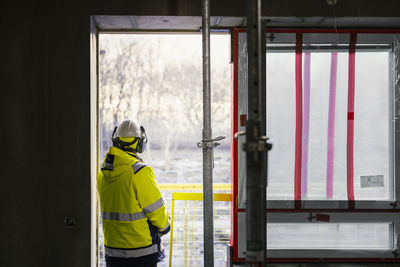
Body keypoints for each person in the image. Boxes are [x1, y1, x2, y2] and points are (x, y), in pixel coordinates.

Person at [97, 119, 170, 267]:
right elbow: (156, 211)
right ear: (139, 143)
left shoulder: (103, 174)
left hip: (113, 252)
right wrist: (165, 227)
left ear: (116, 141)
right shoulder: (140, 172)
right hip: (141, 253)